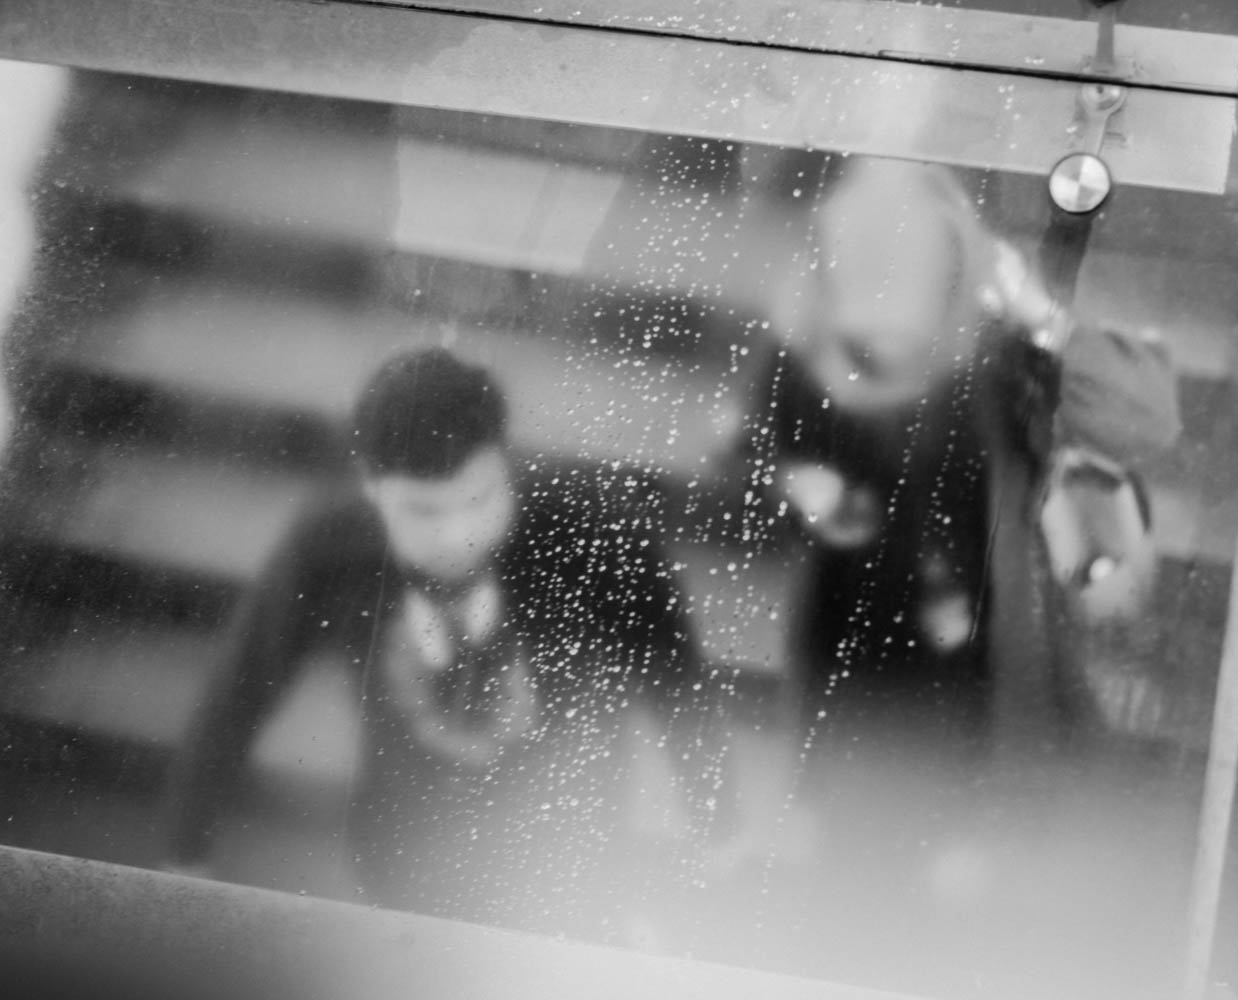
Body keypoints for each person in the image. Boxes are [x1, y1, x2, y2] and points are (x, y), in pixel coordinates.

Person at [713, 155, 1181, 878]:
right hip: (871, 670)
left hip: (1007, 668)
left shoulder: (1008, 358)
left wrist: (1041, 318)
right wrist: (791, 487)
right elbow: (743, 481)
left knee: (1014, 880)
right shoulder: (811, 358)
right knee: (872, 872)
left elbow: (1144, 421)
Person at [165, 347, 709, 939]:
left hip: (569, 864)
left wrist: (716, 817)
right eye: (423, 511)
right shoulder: (329, 545)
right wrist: (183, 848)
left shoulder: (594, 530)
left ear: (504, 462)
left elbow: (674, 674)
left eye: (479, 499)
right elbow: (241, 688)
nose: (458, 534)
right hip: (408, 863)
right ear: (373, 489)